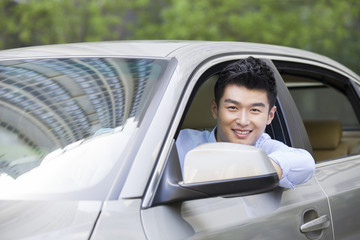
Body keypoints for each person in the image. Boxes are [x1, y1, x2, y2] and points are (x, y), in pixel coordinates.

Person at [176, 57, 315, 188]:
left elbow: (305, 162)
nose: (243, 121)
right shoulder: (180, 142)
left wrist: (259, 169)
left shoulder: (264, 147)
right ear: (215, 109)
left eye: (254, 110)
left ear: (270, 116)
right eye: (233, 108)